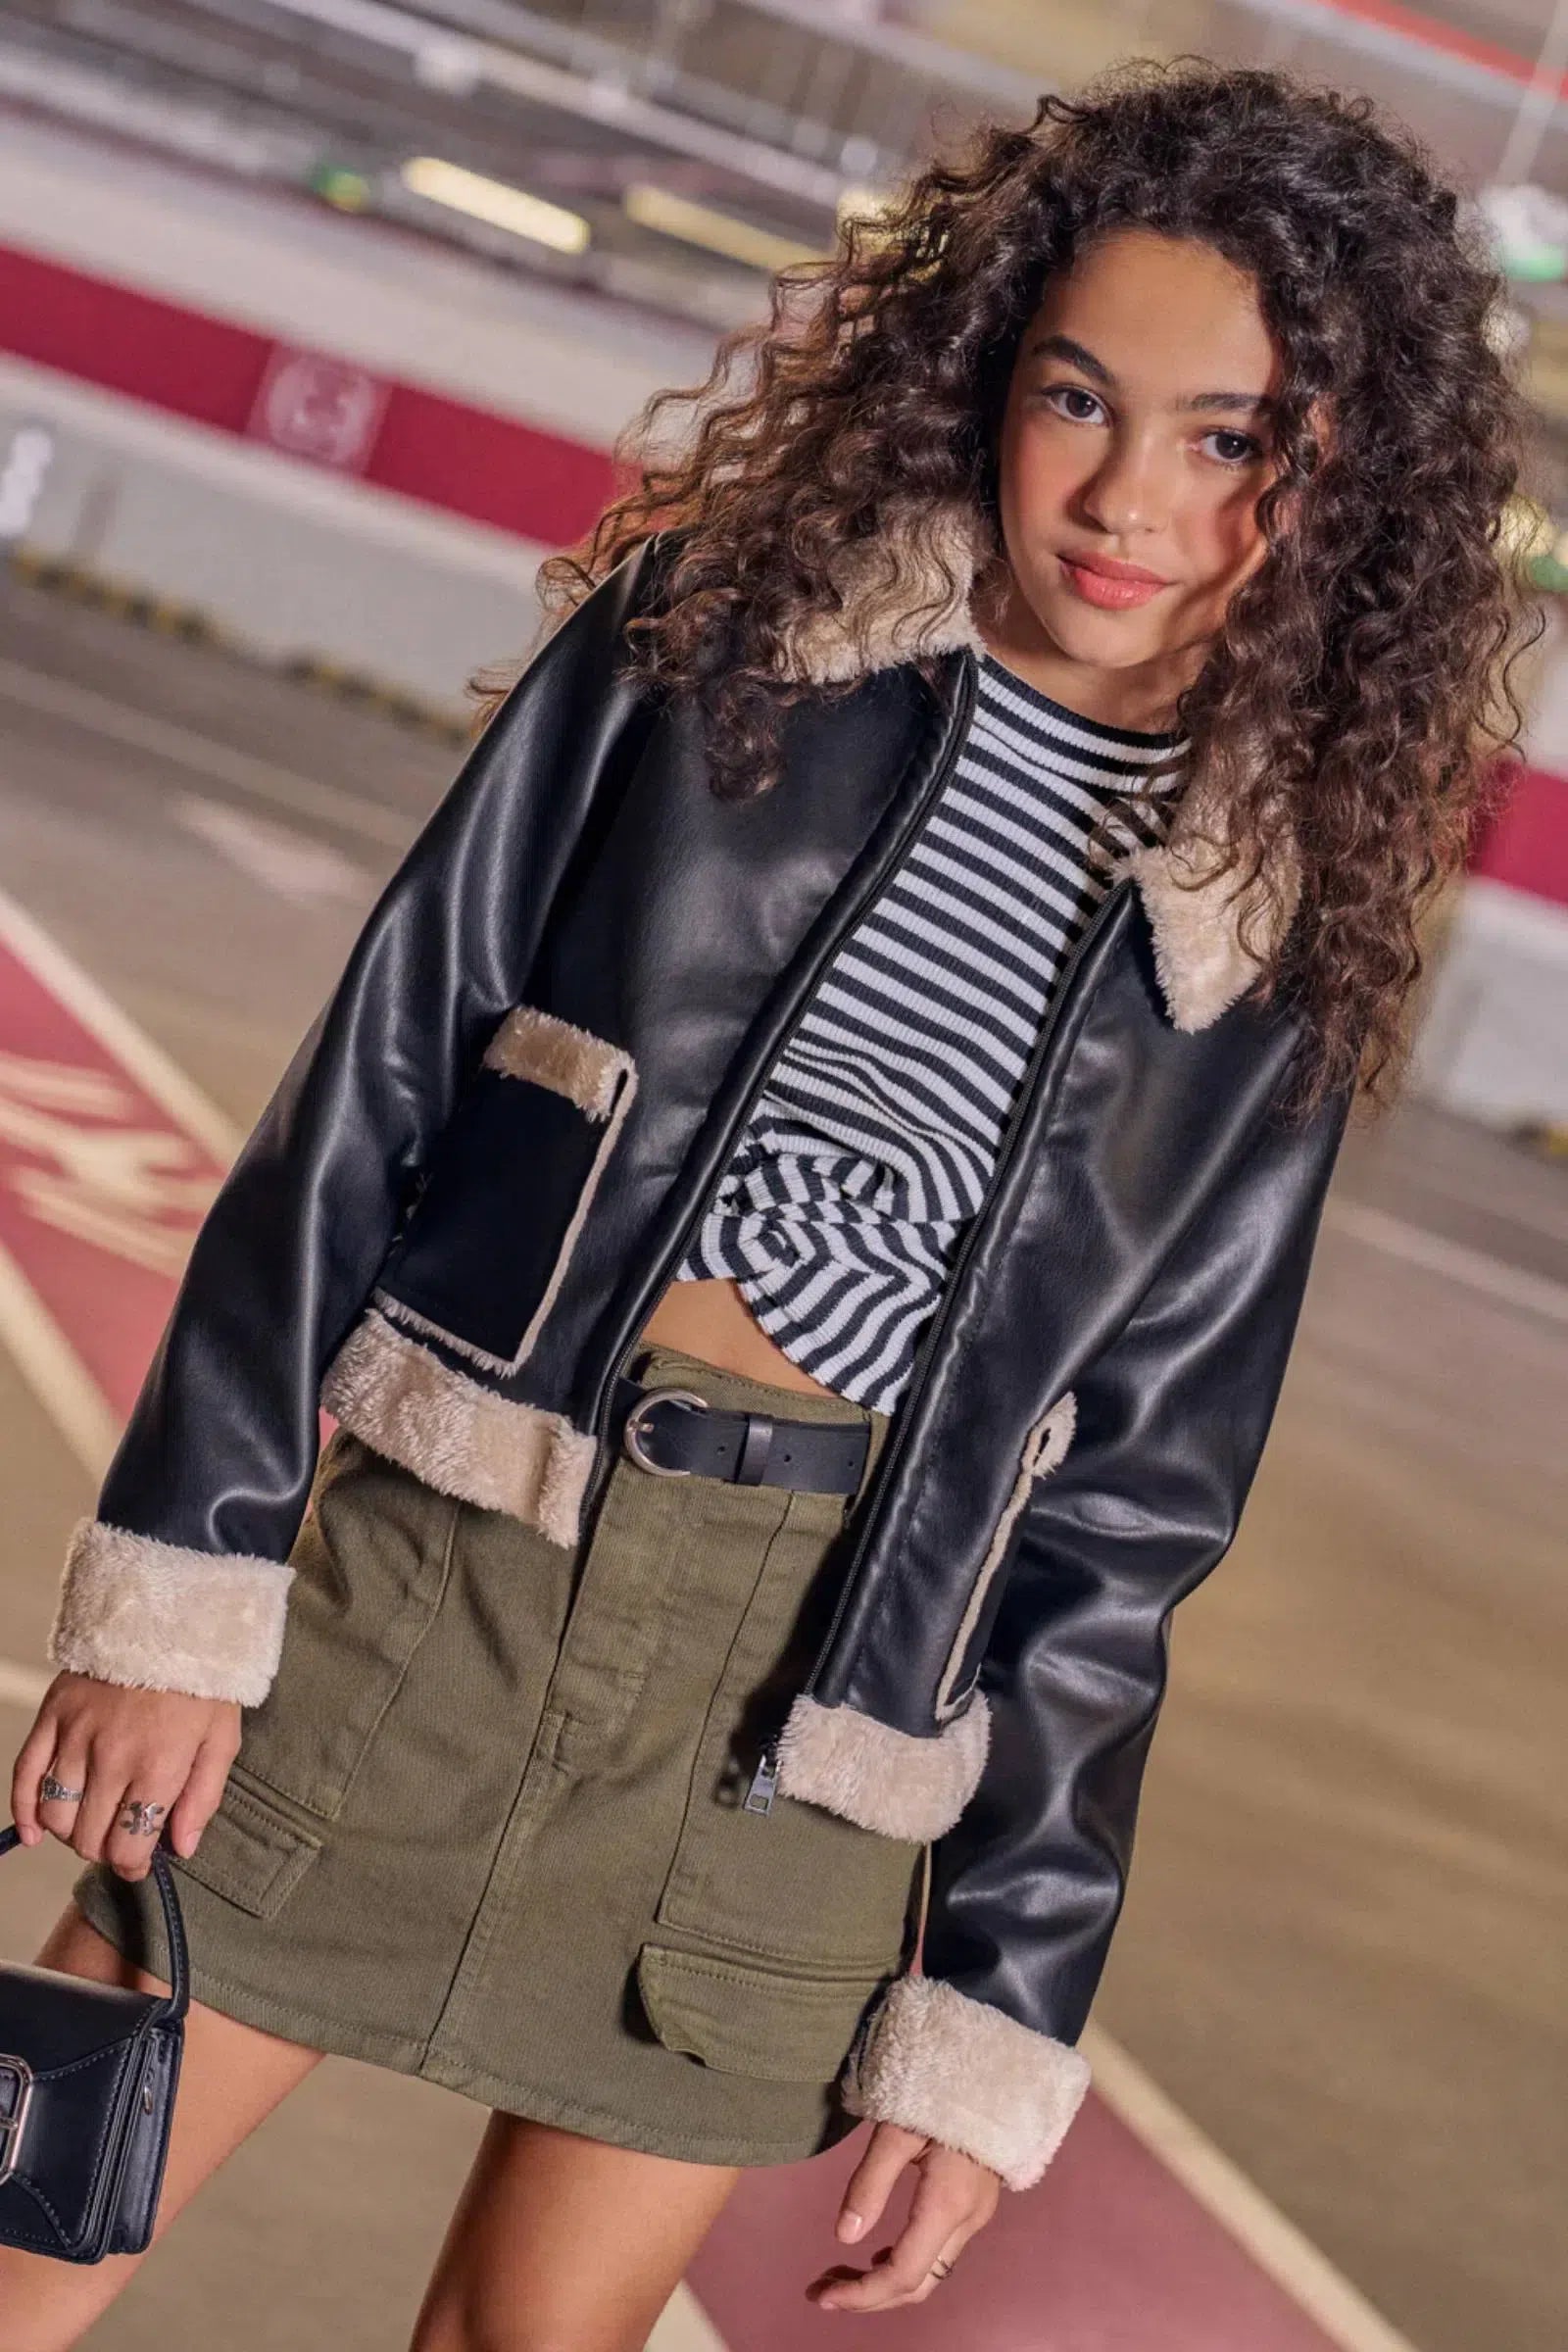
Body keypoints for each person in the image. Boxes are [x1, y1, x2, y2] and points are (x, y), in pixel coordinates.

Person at [2, 58, 1535, 2352]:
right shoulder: (721, 642)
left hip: (801, 1740)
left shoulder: (1262, 945)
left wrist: (995, 2009)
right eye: (1076, 399)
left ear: (1342, 484)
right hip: (440, 1589)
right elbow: (373, 1091)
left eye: (1228, 440)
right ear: (985, 375)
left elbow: (1126, 1518)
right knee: (25, 2252)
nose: (1126, 497)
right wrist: (182, 1579)